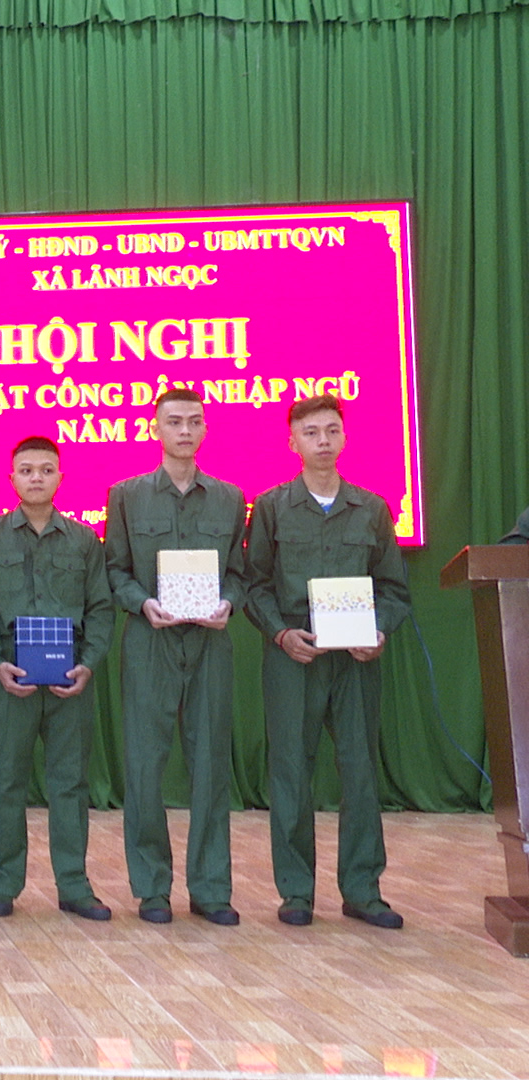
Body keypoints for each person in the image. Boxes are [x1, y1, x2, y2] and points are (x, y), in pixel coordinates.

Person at [244, 394, 411, 930]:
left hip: (355, 661)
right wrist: (280, 632)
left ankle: (363, 890)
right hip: (294, 657)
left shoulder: (372, 509)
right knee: (291, 772)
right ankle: (296, 892)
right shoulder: (271, 507)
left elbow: (393, 589)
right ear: (292, 442)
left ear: (344, 437)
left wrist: (379, 629)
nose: (322, 441)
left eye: (331, 430)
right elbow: (255, 585)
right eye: (311, 432)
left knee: (360, 772)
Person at [103, 388, 246, 927]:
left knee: (210, 766)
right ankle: (152, 889)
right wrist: (142, 603)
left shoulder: (230, 498)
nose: (184, 430)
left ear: (205, 429)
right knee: (144, 767)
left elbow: (239, 574)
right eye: (174, 422)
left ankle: (210, 889)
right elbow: (114, 570)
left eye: (194, 421)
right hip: (150, 641)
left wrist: (228, 602)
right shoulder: (126, 495)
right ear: (154, 429)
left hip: (209, 643)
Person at [0, 436, 115, 920]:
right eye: (26, 470)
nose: (36, 478)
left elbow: (101, 608)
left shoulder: (84, 540)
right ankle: (2, 885)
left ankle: (74, 886)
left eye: (46, 470)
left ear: (60, 478)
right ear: (12, 479)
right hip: (11, 674)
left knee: (69, 784)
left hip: (69, 677)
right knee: (6, 781)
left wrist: (88, 663)